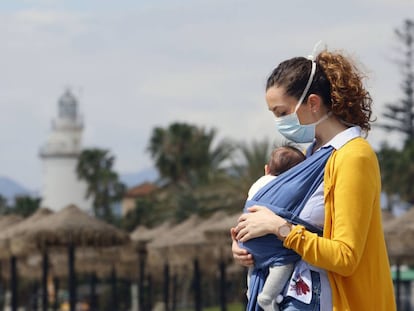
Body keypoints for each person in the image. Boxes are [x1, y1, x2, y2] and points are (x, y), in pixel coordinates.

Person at [231, 48, 396, 311]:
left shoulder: (353, 157)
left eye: (281, 112)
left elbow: (345, 256)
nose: (278, 122)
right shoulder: (310, 157)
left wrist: (280, 229)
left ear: (313, 103)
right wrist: (246, 242)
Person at [245, 145, 306, 311]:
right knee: (283, 263)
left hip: (248, 241)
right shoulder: (289, 188)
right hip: (270, 243)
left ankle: (251, 292)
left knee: (254, 266)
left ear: (266, 169)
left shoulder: (257, 184)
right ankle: (268, 297)